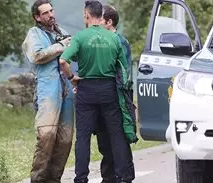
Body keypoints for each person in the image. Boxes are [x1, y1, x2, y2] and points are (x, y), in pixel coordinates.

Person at [58, 1, 135, 183]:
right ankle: (123, 176)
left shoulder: (80, 37)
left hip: (86, 90)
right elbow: (123, 69)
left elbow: (63, 61)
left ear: (86, 14)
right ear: (101, 15)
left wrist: (72, 78)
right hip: (109, 90)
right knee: (116, 134)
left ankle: (81, 178)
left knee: (83, 138)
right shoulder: (114, 39)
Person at [21, 0, 74, 182]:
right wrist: (61, 46)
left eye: (51, 11)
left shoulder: (63, 33)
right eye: (45, 13)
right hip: (47, 89)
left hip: (66, 89)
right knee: (47, 136)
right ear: (37, 17)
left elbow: (71, 55)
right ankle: (38, 178)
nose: (51, 15)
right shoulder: (34, 34)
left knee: (65, 139)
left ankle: (54, 179)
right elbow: (37, 56)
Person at [94, 5, 135, 183]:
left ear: (109, 22)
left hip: (116, 97)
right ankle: (108, 177)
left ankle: (124, 176)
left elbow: (121, 74)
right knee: (104, 140)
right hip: (100, 97)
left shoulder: (120, 41)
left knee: (118, 138)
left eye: (99, 19)